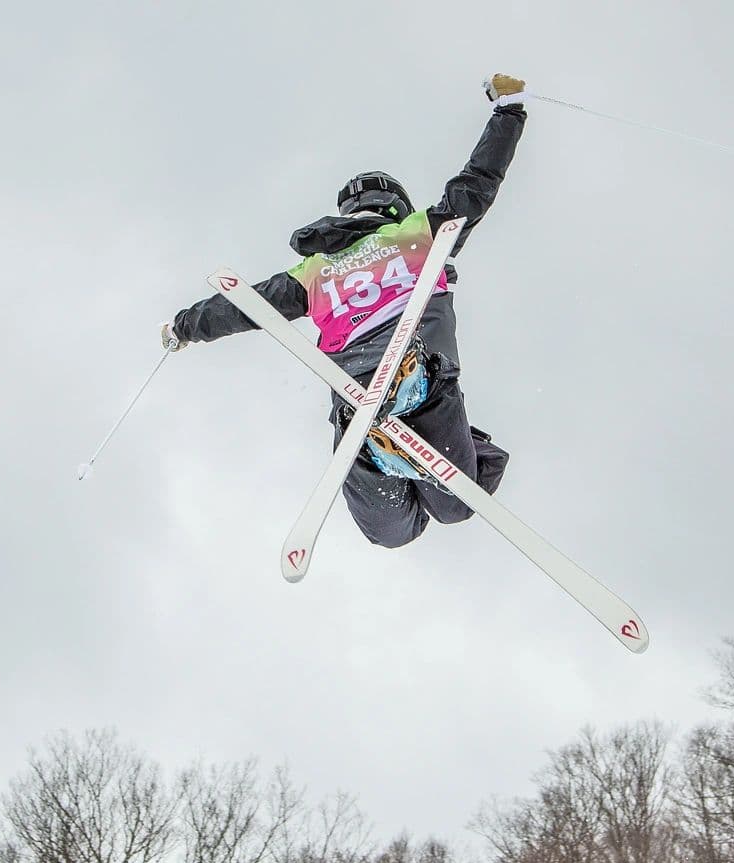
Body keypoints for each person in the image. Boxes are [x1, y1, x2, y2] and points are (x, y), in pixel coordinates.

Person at [160, 73, 529, 549]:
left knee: (392, 533)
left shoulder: (314, 271)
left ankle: (379, 441)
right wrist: (509, 110)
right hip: (423, 375)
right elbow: (476, 186)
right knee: (457, 505)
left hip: (354, 386)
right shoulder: (420, 232)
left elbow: (247, 307)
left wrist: (185, 326)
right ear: (396, 207)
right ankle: (398, 423)